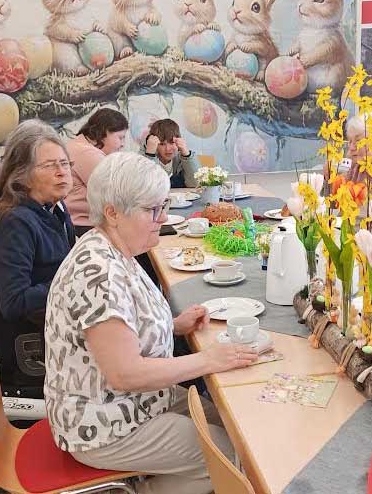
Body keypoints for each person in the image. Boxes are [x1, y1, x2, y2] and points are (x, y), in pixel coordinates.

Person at [44, 151, 256, 494]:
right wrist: (208, 359)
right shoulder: (99, 274)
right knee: (227, 456)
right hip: (101, 423)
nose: (163, 217)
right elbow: (124, 374)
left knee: (234, 428)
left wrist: (173, 325)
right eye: (152, 210)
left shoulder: (111, 247)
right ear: (112, 212)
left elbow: (117, 330)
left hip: (130, 402)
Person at [0, 120, 75, 324]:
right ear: (22, 175)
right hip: (47, 325)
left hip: (63, 308)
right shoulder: (15, 222)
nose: (62, 172)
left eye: (65, 163)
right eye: (49, 165)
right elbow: (13, 302)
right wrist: (71, 282)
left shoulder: (55, 207)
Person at [64, 108, 129, 236]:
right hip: (84, 227)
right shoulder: (87, 153)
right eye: (120, 138)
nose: (123, 144)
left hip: (77, 223)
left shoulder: (79, 144)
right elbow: (118, 192)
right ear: (103, 133)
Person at [143, 119, 200, 188]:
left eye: (172, 142)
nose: (168, 149)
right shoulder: (142, 158)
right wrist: (150, 155)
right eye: (162, 144)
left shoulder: (183, 156)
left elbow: (196, 184)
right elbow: (147, 188)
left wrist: (186, 154)